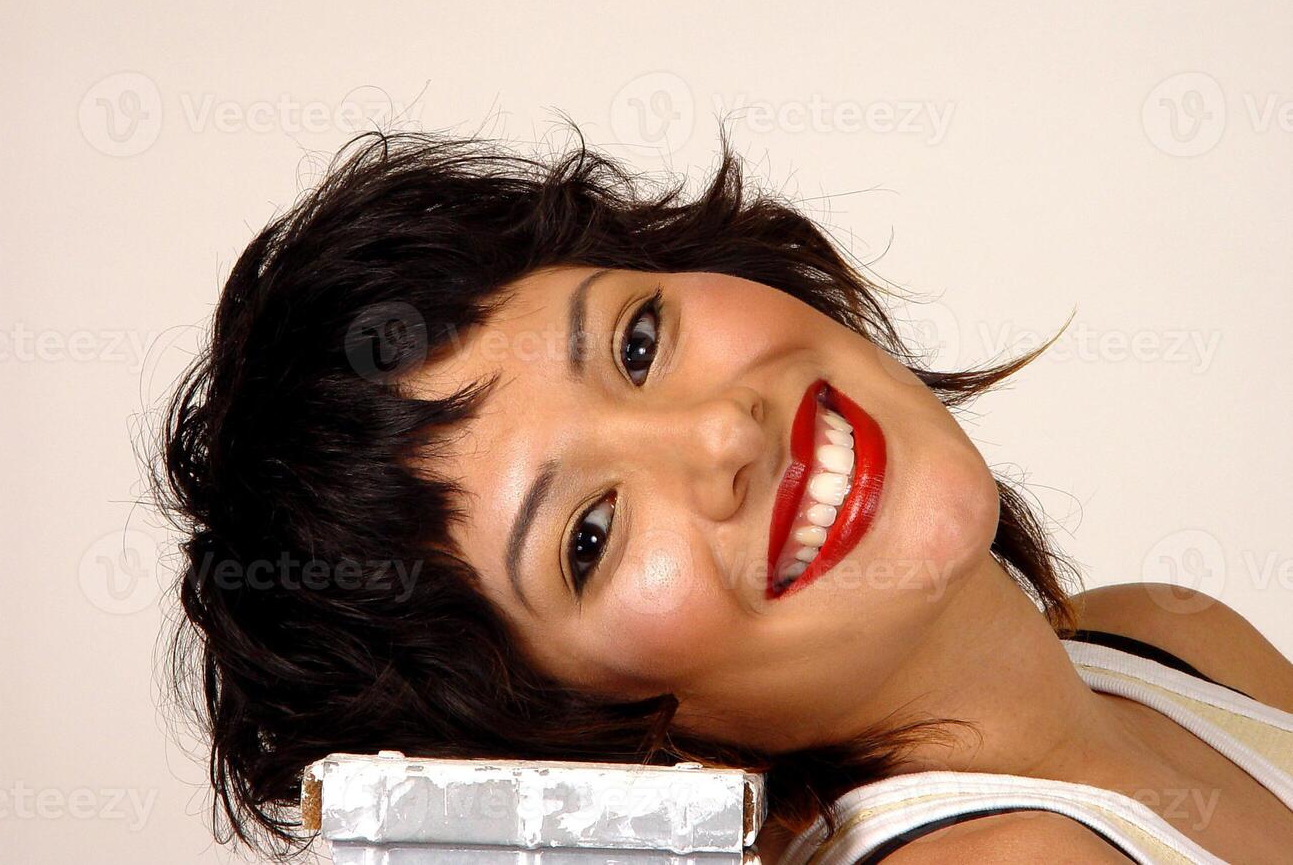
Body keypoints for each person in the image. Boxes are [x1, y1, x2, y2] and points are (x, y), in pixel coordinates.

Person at [153, 127, 1293, 863]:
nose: (717, 433)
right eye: (588, 535)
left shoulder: (1158, 639)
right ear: (582, 736)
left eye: (637, 341)